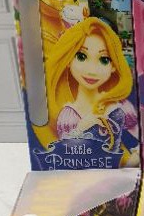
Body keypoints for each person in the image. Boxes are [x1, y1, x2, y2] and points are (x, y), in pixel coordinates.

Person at [35, 17, 136, 155]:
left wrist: (135, 157)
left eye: (104, 60)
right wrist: (82, 127)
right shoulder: (69, 115)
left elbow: (139, 140)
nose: (91, 70)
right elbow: (66, 153)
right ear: (68, 59)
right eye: (81, 57)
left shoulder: (120, 107)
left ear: (114, 66)